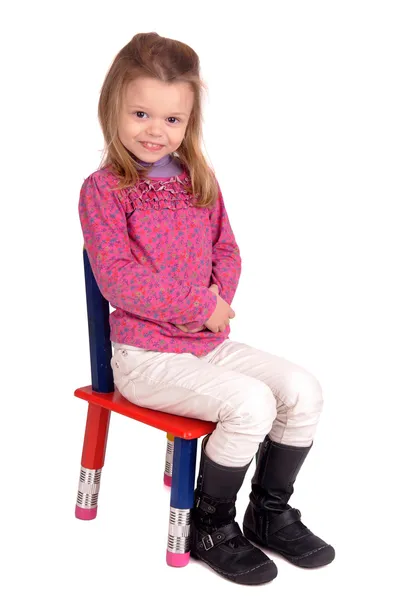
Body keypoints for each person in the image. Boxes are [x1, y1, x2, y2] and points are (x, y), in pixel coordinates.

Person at [78, 31, 335, 585]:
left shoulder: (199, 179)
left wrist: (218, 300)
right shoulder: (104, 190)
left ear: (189, 120)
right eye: (141, 113)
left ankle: (268, 513)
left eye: (172, 119)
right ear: (112, 109)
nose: (155, 130)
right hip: (145, 358)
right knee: (250, 404)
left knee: (301, 390)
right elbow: (118, 279)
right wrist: (198, 304)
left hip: (208, 344)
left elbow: (227, 248)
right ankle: (210, 525)